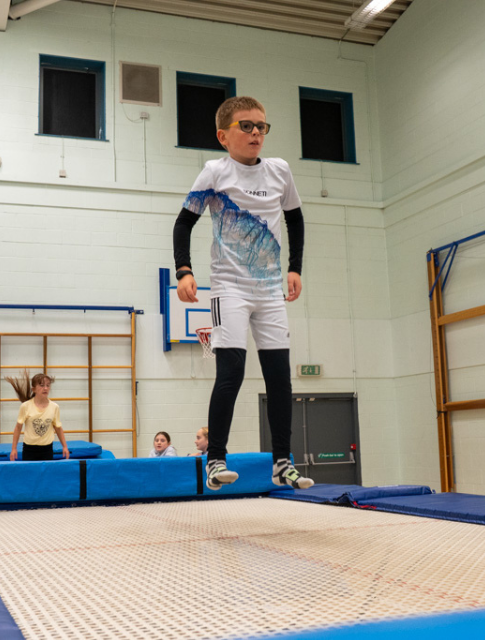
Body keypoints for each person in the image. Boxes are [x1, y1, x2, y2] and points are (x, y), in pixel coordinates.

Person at [173, 95, 313, 491]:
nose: (256, 133)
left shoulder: (280, 171)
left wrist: (295, 267)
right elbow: (183, 224)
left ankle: (282, 461)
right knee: (231, 371)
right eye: (246, 126)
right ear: (223, 135)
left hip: (270, 291)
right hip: (229, 288)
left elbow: (296, 219)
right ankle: (215, 459)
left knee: (280, 378)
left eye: (262, 126)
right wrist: (185, 270)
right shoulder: (215, 173)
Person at [6, 370, 69, 462]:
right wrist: (14, 448)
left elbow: (58, 428)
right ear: (34, 389)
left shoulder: (54, 407)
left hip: (47, 449)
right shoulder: (25, 406)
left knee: (46, 475)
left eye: (48, 385)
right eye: (42, 385)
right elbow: (18, 428)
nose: (45, 388)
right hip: (29, 449)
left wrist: (65, 447)